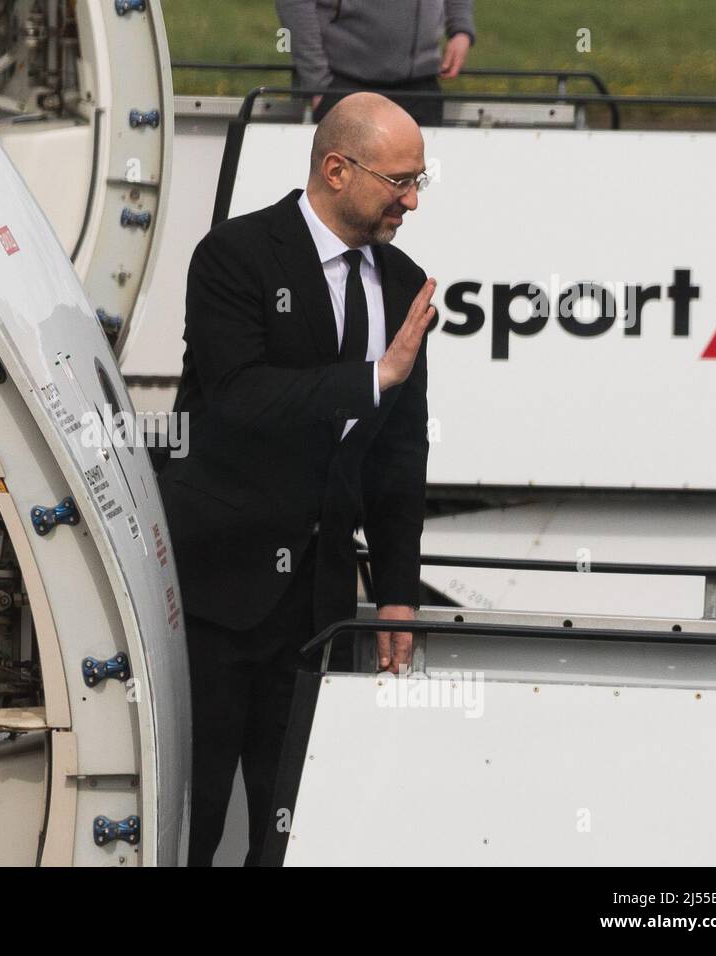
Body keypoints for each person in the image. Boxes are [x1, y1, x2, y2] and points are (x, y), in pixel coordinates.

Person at [157, 93, 435, 866]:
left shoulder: (406, 283)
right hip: (217, 591)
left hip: (318, 611)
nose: (411, 201)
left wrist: (397, 598)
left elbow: (397, 460)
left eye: (421, 182)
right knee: (194, 815)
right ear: (337, 169)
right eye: (400, 181)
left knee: (293, 822)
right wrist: (371, 377)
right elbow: (239, 397)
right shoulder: (236, 256)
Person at [276, 0, 476, 126]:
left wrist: (460, 29)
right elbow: (294, 5)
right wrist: (319, 85)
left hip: (422, 88)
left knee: (421, 190)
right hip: (344, 86)